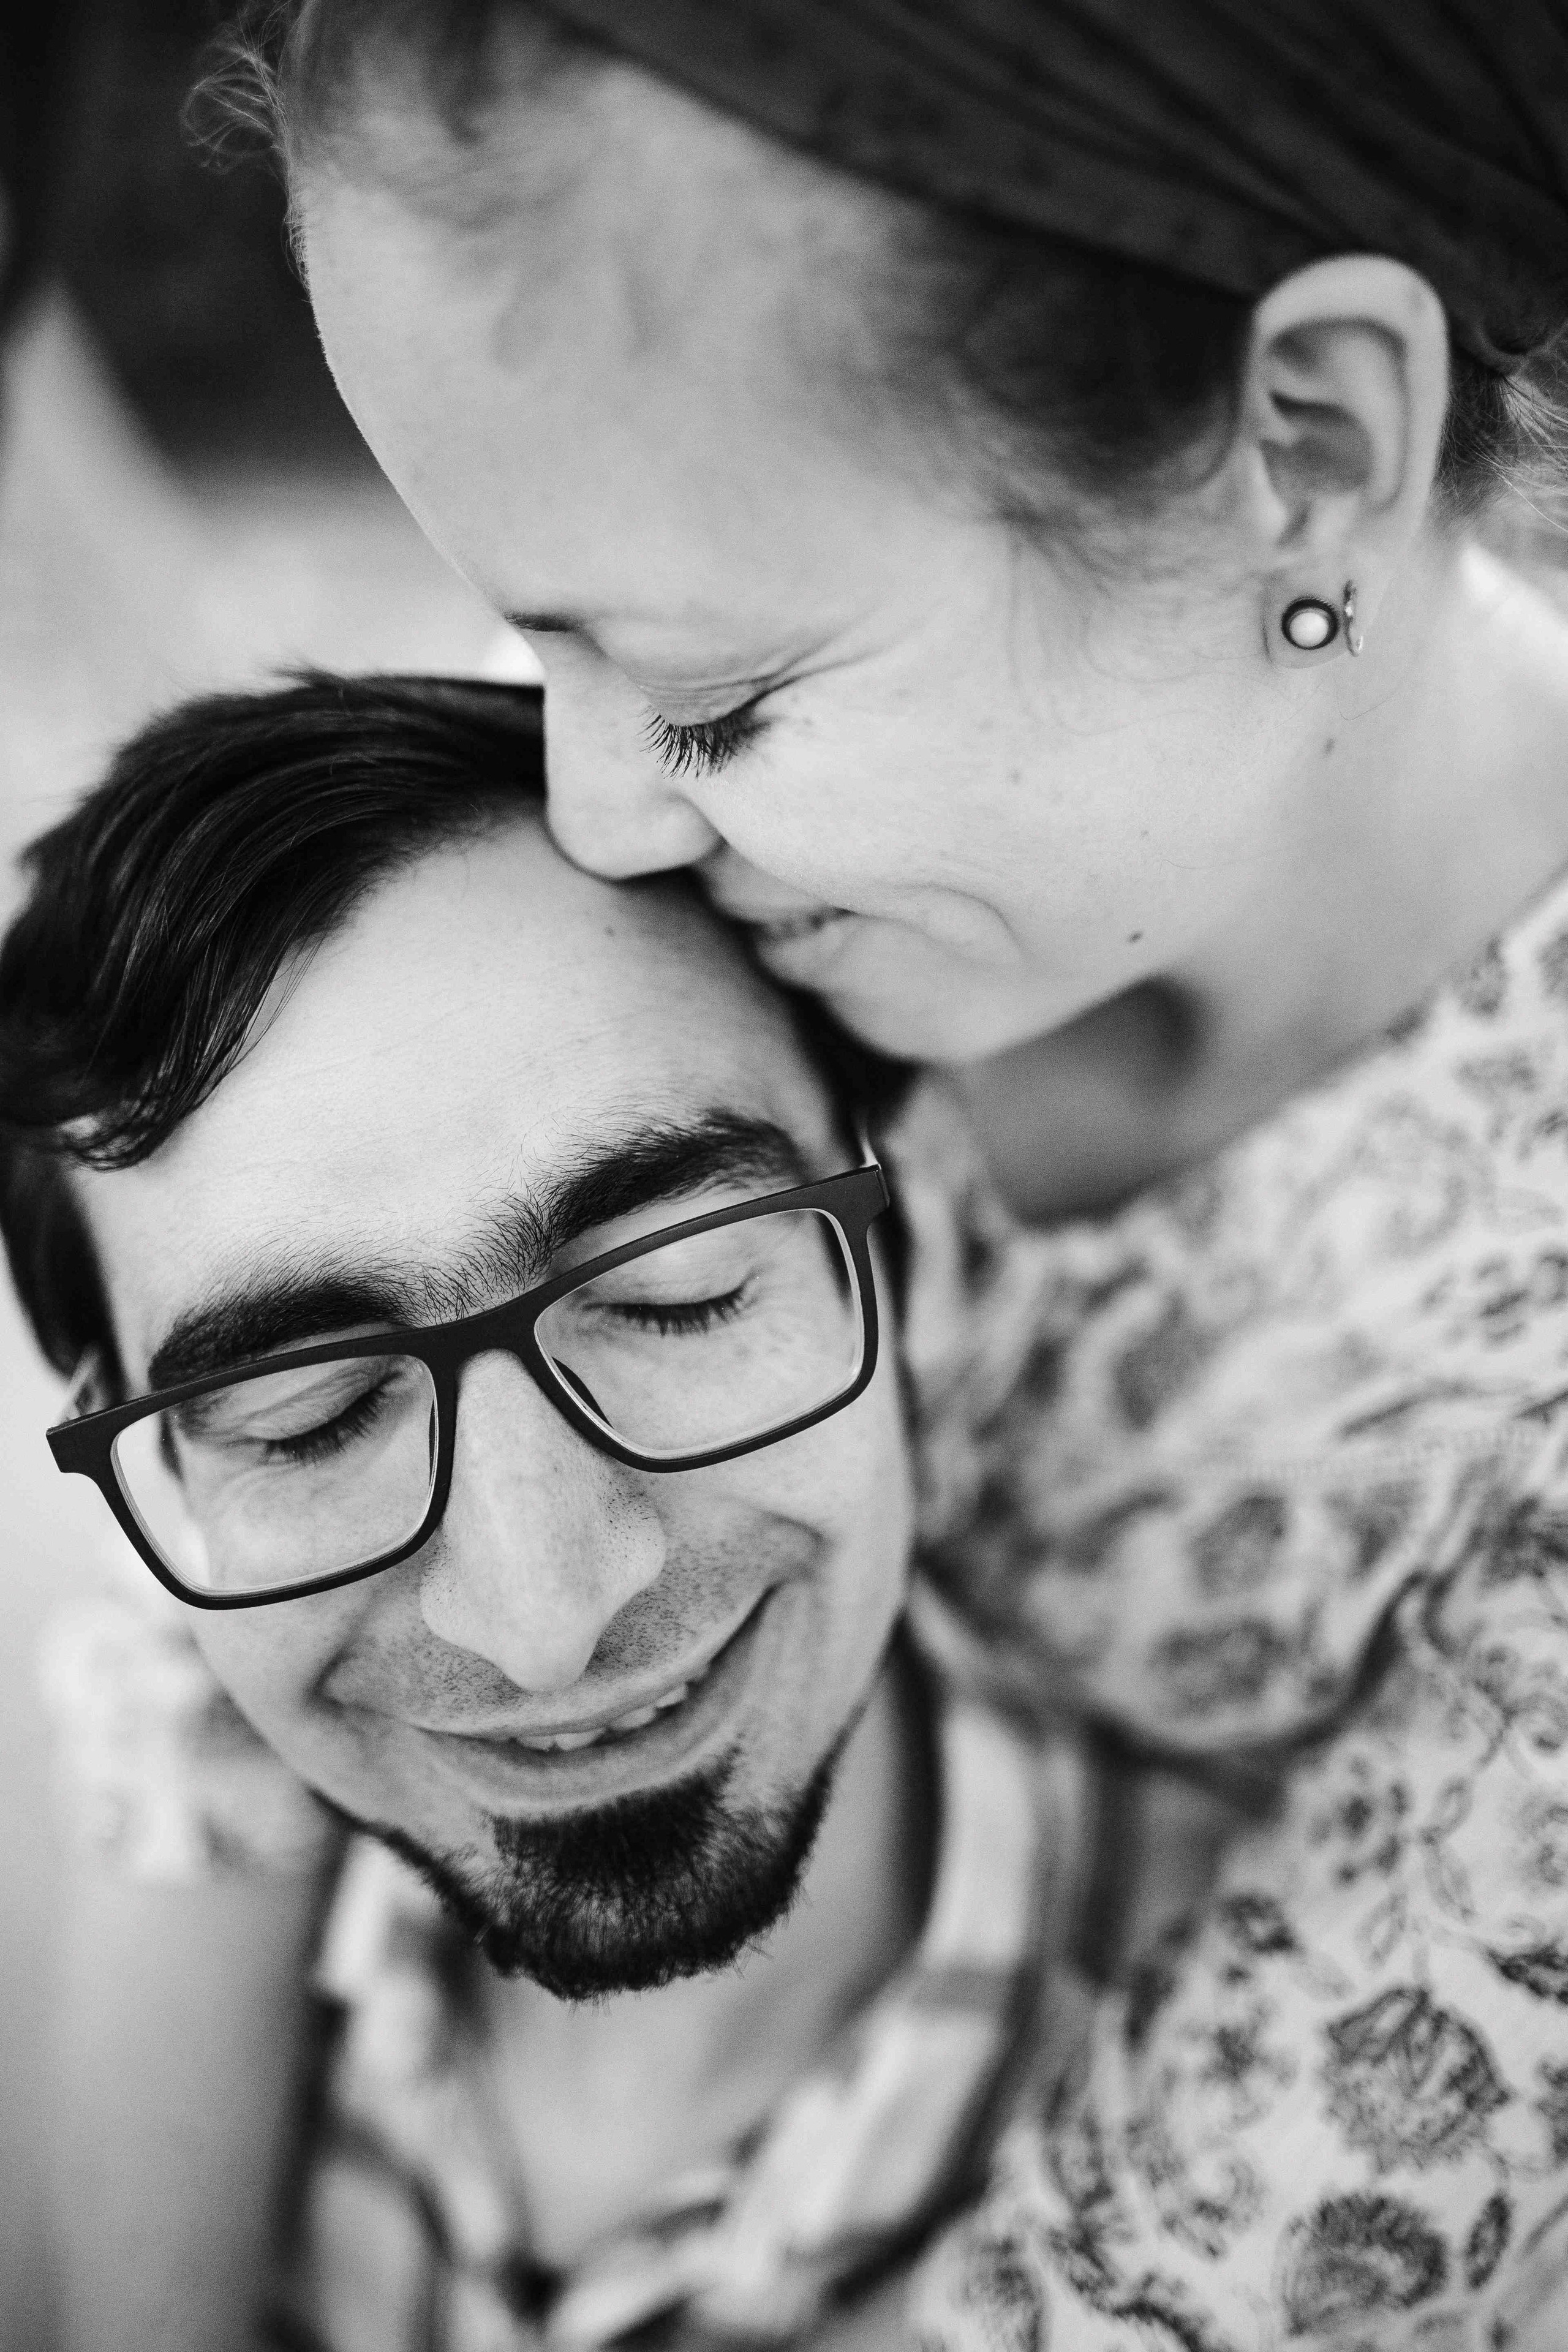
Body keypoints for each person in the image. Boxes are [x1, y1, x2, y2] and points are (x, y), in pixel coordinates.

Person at [194, 2, 1568, 2344]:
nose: (594, 813)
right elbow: (174, 1603)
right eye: (533, 641)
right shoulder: (762, 800)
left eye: (715, 702)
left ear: (1311, 451)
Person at [4, 670, 1234, 2351]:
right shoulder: (185, 1817)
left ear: (916, 1252)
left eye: (678, 1297)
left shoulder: (1279, 2080)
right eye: (308, 1423)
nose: (544, 1612)